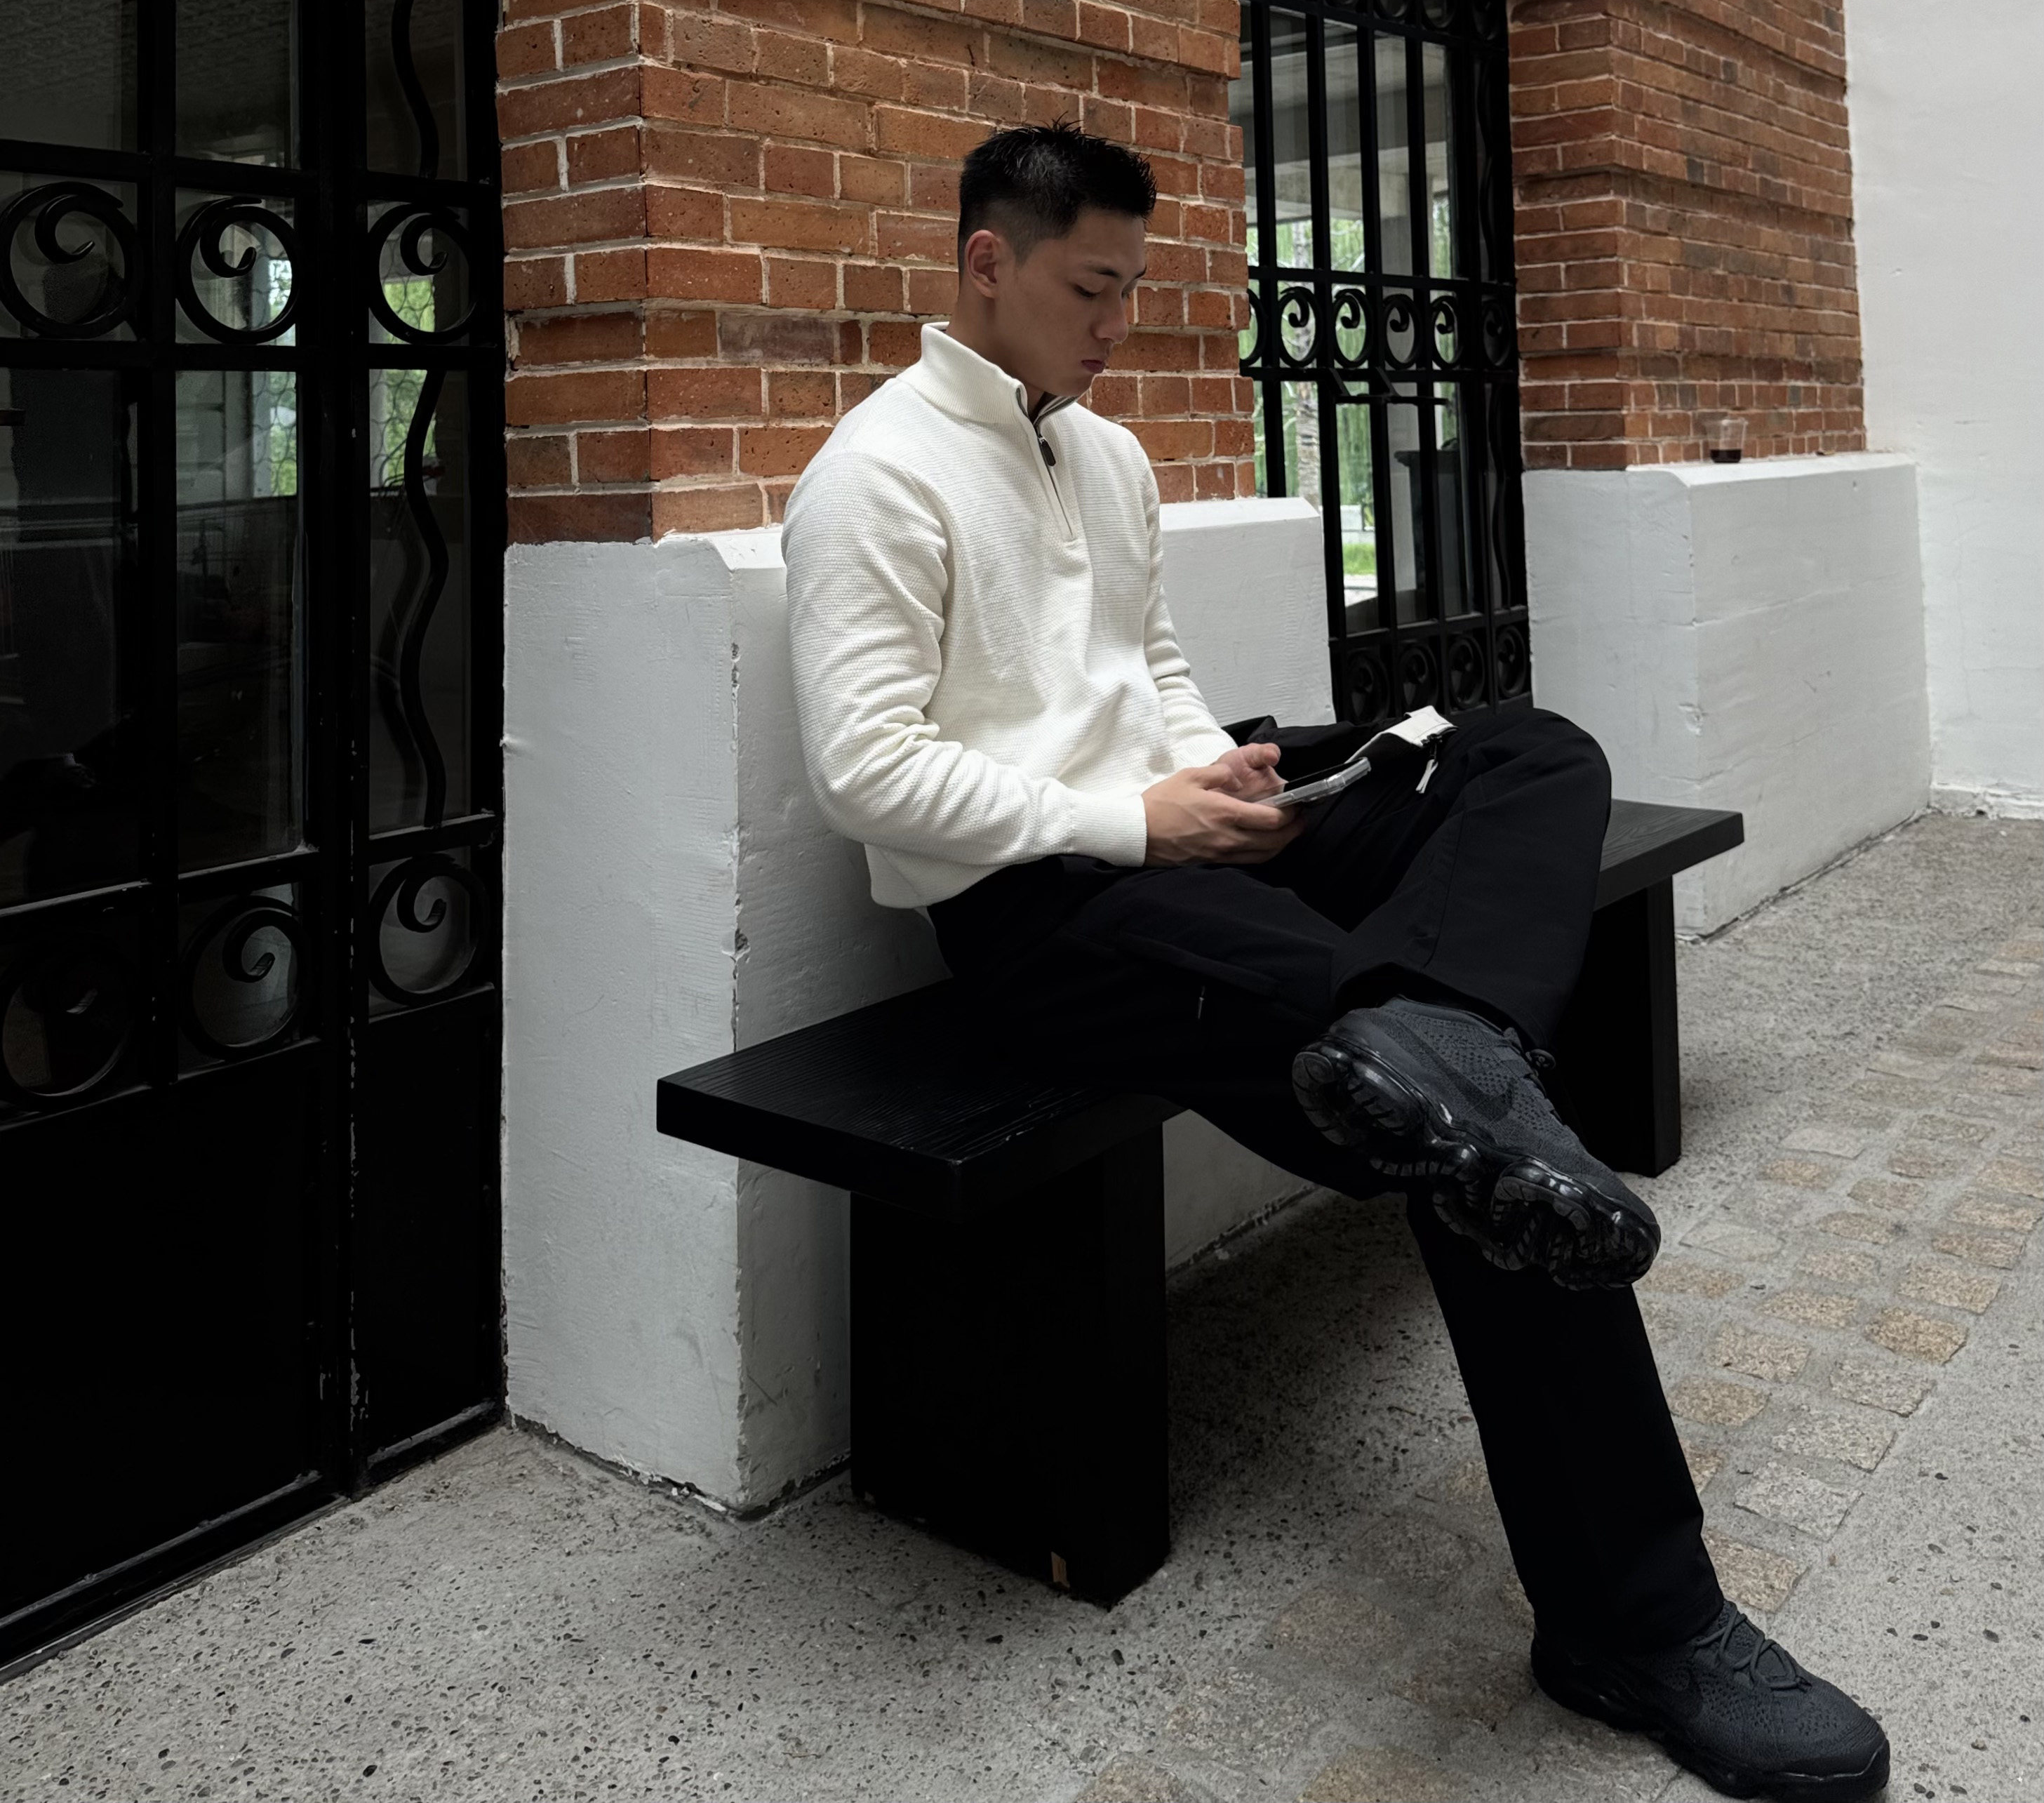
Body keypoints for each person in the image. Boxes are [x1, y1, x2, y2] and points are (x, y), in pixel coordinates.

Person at [781, 122, 1890, 1803]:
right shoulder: (874, 474)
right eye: (1090, 288)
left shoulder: (1103, 451)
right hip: (1042, 900)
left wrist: (1215, 777)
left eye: (1131, 289)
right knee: (1476, 1142)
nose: (1117, 324)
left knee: (1521, 752)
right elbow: (864, 771)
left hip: (1177, 827)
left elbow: (1146, 665)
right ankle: (1635, 1622)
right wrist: (1135, 818)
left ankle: (1446, 1031)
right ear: (985, 264)